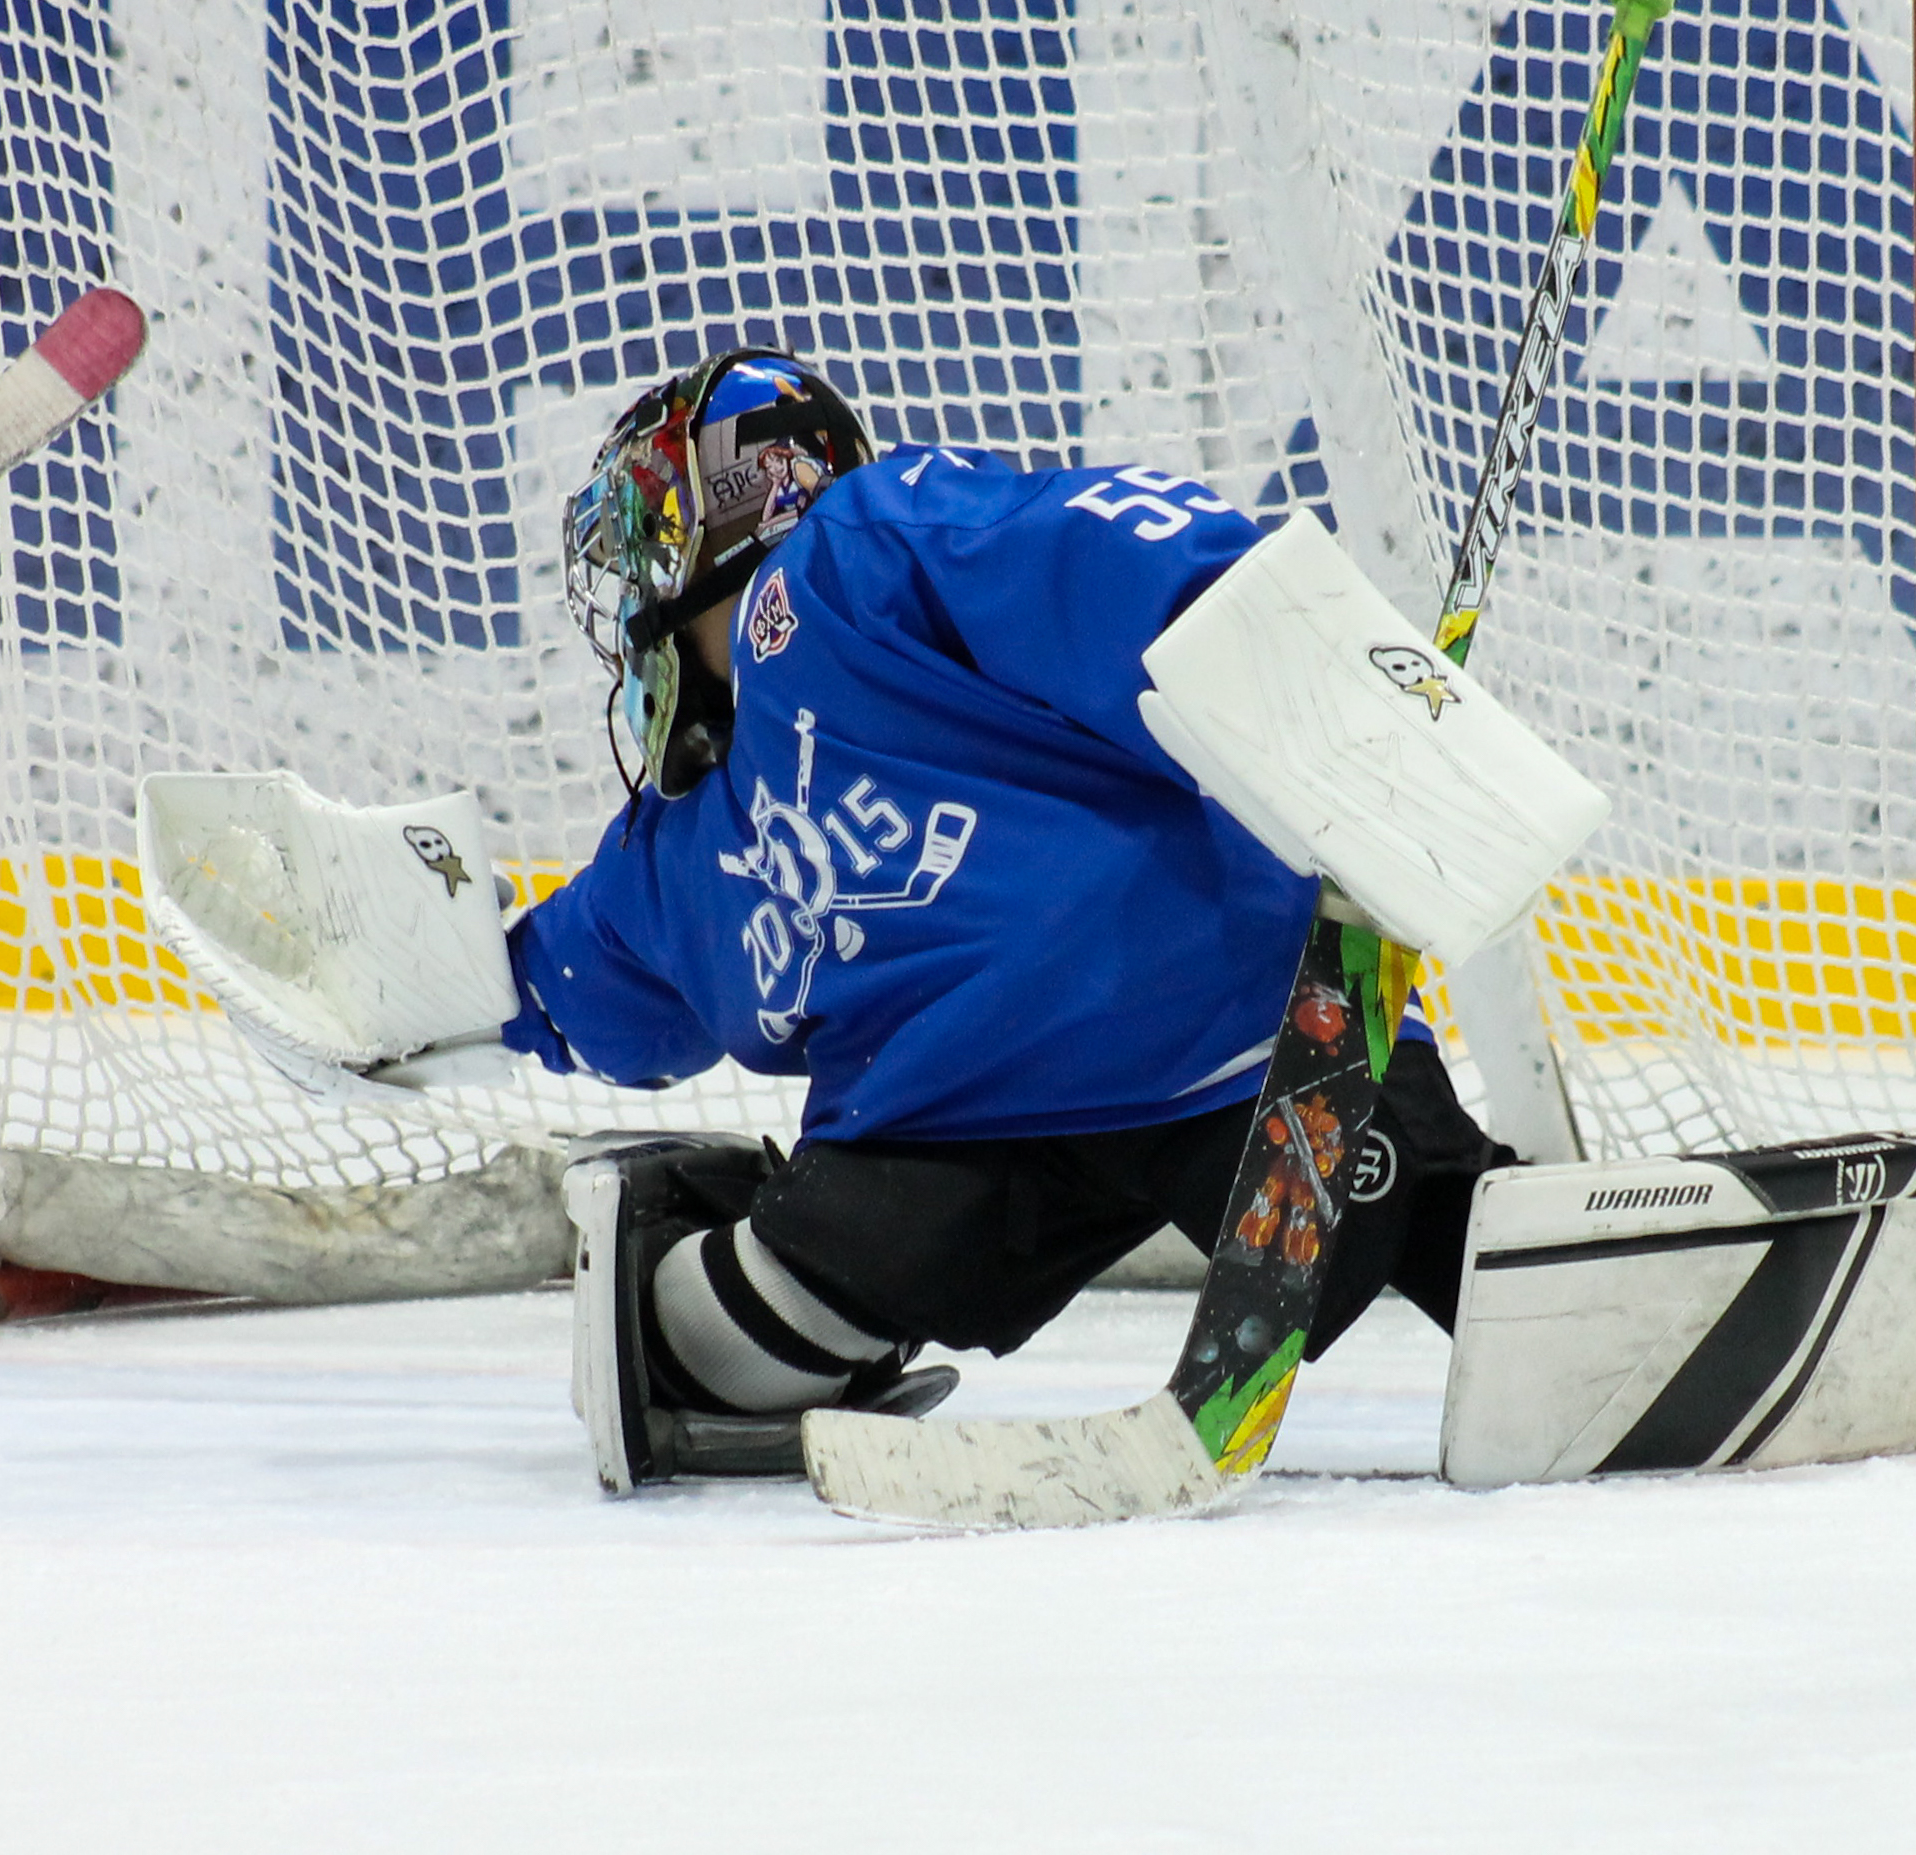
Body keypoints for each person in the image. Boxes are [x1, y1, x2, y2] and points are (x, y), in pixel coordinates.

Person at [506, 349, 1514, 1489]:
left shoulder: (855, 557)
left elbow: (1081, 548)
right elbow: (584, 975)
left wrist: (1301, 652)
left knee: (1455, 1237)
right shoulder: (689, 843)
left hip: (1222, 1044)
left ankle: (1618, 1275)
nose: (639, 593)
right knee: (691, 1341)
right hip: (941, 1135)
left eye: (652, 535)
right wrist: (436, 985)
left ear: (742, 501)